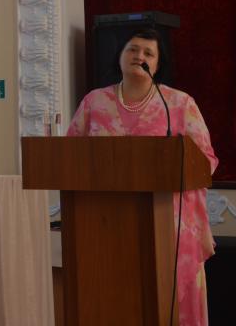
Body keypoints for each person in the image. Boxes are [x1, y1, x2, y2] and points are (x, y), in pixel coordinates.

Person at [67, 28, 218, 326]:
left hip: (168, 223)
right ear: (119, 56)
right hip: (104, 222)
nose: (139, 56)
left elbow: (205, 160)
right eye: (132, 49)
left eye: (149, 53)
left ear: (157, 65)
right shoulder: (94, 102)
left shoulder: (179, 103)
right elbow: (71, 155)